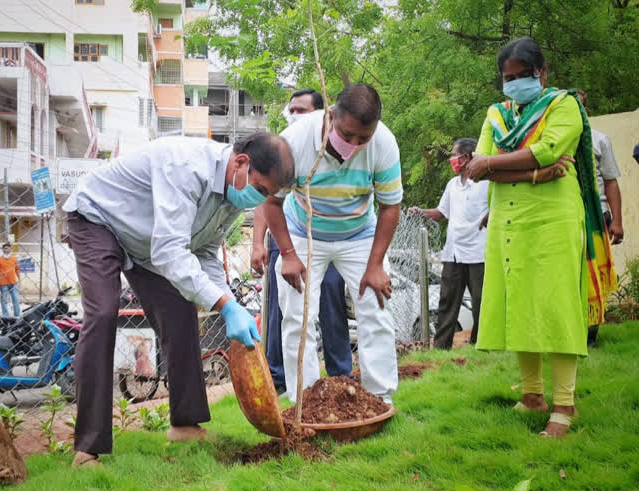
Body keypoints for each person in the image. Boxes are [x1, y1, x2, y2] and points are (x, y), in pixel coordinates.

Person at [63, 133, 294, 466]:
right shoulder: (186, 165)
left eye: (267, 195)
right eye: (260, 189)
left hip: (146, 242)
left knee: (181, 309)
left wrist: (229, 302)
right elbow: (170, 251)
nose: (259, 200)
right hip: (100, 219)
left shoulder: (231, 194)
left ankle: (185, 424)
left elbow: (203, 254)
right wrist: (226, 306)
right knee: (103, 312)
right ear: (241, 163)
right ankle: (87, 448)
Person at [467, 37, 616, 438]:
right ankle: (532, 395)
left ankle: (565, 406)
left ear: (542, 73)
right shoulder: (497, 114)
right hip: (509, 224)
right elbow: (476, 168)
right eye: (507, 77)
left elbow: (549, 150)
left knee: (557, 310)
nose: (514, 83)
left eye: (521, 76)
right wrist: (533, 174)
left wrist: (498, 164)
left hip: (553, 223)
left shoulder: (563, 105)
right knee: (521, 308)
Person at [263, 84, 402, 404]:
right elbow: (271, 202)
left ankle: (380, 398)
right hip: (304, 231)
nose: (353, 145)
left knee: (377, 309)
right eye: (346, 134)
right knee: (298, 316)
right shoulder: (295, 141)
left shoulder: (383, 143)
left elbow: (390, 206)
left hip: (359, 235)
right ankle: (306, 401)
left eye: (362, 139)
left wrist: (376, 265)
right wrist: (288, 255)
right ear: (331, 115)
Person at [252, 88, 353, 394]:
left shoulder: (338, 144)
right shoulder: (284, 144)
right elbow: (267, 197)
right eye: (291, 109)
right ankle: (283, 379)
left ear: (322, 114)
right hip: (287, 235)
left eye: (302, 110)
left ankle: (340, 375)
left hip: (329, 235)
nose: (294, 115)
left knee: (330, 301)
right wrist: (259, 243)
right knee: (286, 311)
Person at [409, 138, 488, 349]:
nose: (452, 159)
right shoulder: (452, 185)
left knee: (481, 301)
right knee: (447, 301)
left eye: (455, 155)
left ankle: (480, 344)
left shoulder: (487, 183)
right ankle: (441, 346)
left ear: (468, 157)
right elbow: (441, 213)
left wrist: (491, 216)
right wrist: (422, 213)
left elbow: (498, 207)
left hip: (478, 252)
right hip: (453, 252)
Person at [574, 90, 624, 347]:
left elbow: (611, 181)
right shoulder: (553, 141)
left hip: (597, 217)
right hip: (566, 218)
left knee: (592, 277)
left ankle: (590, 337)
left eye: (580, 107)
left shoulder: (599, 140)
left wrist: (617, 221)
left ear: (587, 112)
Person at [0, 243, 21, 317]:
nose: (6, 249)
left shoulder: (14, 259)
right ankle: (5, 316)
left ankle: (17, 316)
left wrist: (19, 280)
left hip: (13, 283)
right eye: (4, 248)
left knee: (15, 300)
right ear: (3, 249)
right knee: (4, 301)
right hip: (3, 284)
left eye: (7, 248)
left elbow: (17, 270)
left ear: (10, 249)